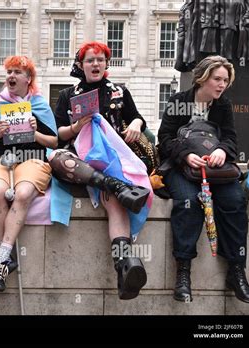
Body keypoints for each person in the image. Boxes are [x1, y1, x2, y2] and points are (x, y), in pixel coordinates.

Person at [48, 41, 152, 300]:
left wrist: (136, 125)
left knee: (115, 204)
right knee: (57, 158)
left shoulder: (119, 91)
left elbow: (137, 116)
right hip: (79, 160)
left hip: (111, 157)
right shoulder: (67, 94)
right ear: (81, 65)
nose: (95, 64)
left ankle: (124, 265)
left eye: (100, 60)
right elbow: (58, 135)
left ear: (106, 64)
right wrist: (76, 127)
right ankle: (117, 186)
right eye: (90, 60)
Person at [158, 55, 249, 304]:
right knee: (188, 203)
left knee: (235, 201)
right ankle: (183, 271)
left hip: (216, 171)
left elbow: (231, 138)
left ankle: (236, 269)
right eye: (217, 79)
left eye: (225, 80)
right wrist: (186, 155)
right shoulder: (178, 101)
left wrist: (222, 150)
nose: (222, 85)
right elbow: (165, 139)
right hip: (182, 168)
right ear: (202, 78)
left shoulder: (222, 106)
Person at [0, 55, 57, 292]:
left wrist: (34, 132)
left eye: (17, 72)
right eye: (9, 72)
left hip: (32, 158)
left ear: (28, 78)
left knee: (23, 193)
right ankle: (5, 258)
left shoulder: (40, 105)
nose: (11, 76)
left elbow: (53, 141)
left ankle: (0, 259)